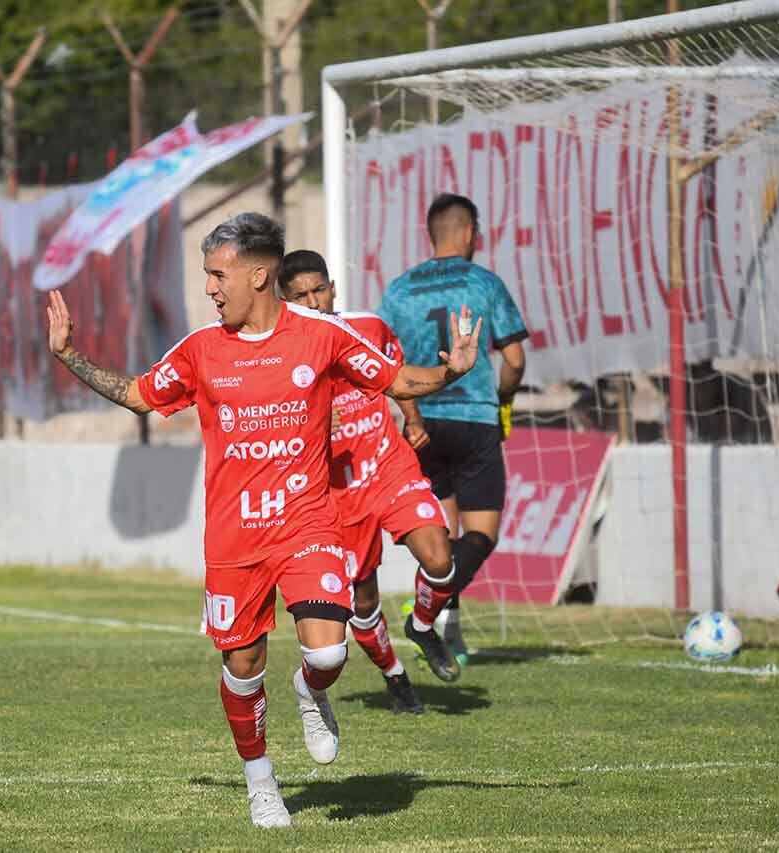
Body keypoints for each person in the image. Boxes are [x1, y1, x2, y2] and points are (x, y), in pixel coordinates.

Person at [47, 212, 481, 828]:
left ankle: (310, 691)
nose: (210, 288)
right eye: (207, 276)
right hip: (234, 537)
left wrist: (454, 371)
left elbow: (393, 379)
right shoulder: (201, 350)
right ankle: (261, 783)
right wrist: (70, 357)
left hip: (307, 524)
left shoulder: (320, 336)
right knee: (243, 666)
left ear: (259, 273)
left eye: (218, 275)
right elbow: (141, 394)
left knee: (328, 657)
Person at [279, 249, 453, 711]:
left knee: (439, 556)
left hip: (387, 465)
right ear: (285, 302)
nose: (314, 302)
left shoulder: (369, 328)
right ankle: (395, 676)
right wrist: (312, 426)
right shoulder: (283, 354)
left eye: (319, 290)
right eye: (301, 296)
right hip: (335, 493)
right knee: (363, 600)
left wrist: (412, 419)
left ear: (333, 287)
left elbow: (397, 375)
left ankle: (421, 624)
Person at [377, 193, 529, 681]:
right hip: (473, 419)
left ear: (431, 233)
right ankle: (423, 618)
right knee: (480, 536)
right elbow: (515, 361)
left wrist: (412, 415)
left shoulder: (399, 290)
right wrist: (502, 401)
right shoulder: (484, 282)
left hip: (421, 425)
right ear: (469, 233)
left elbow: (387, 366)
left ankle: (449, 626)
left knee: (445, 538)